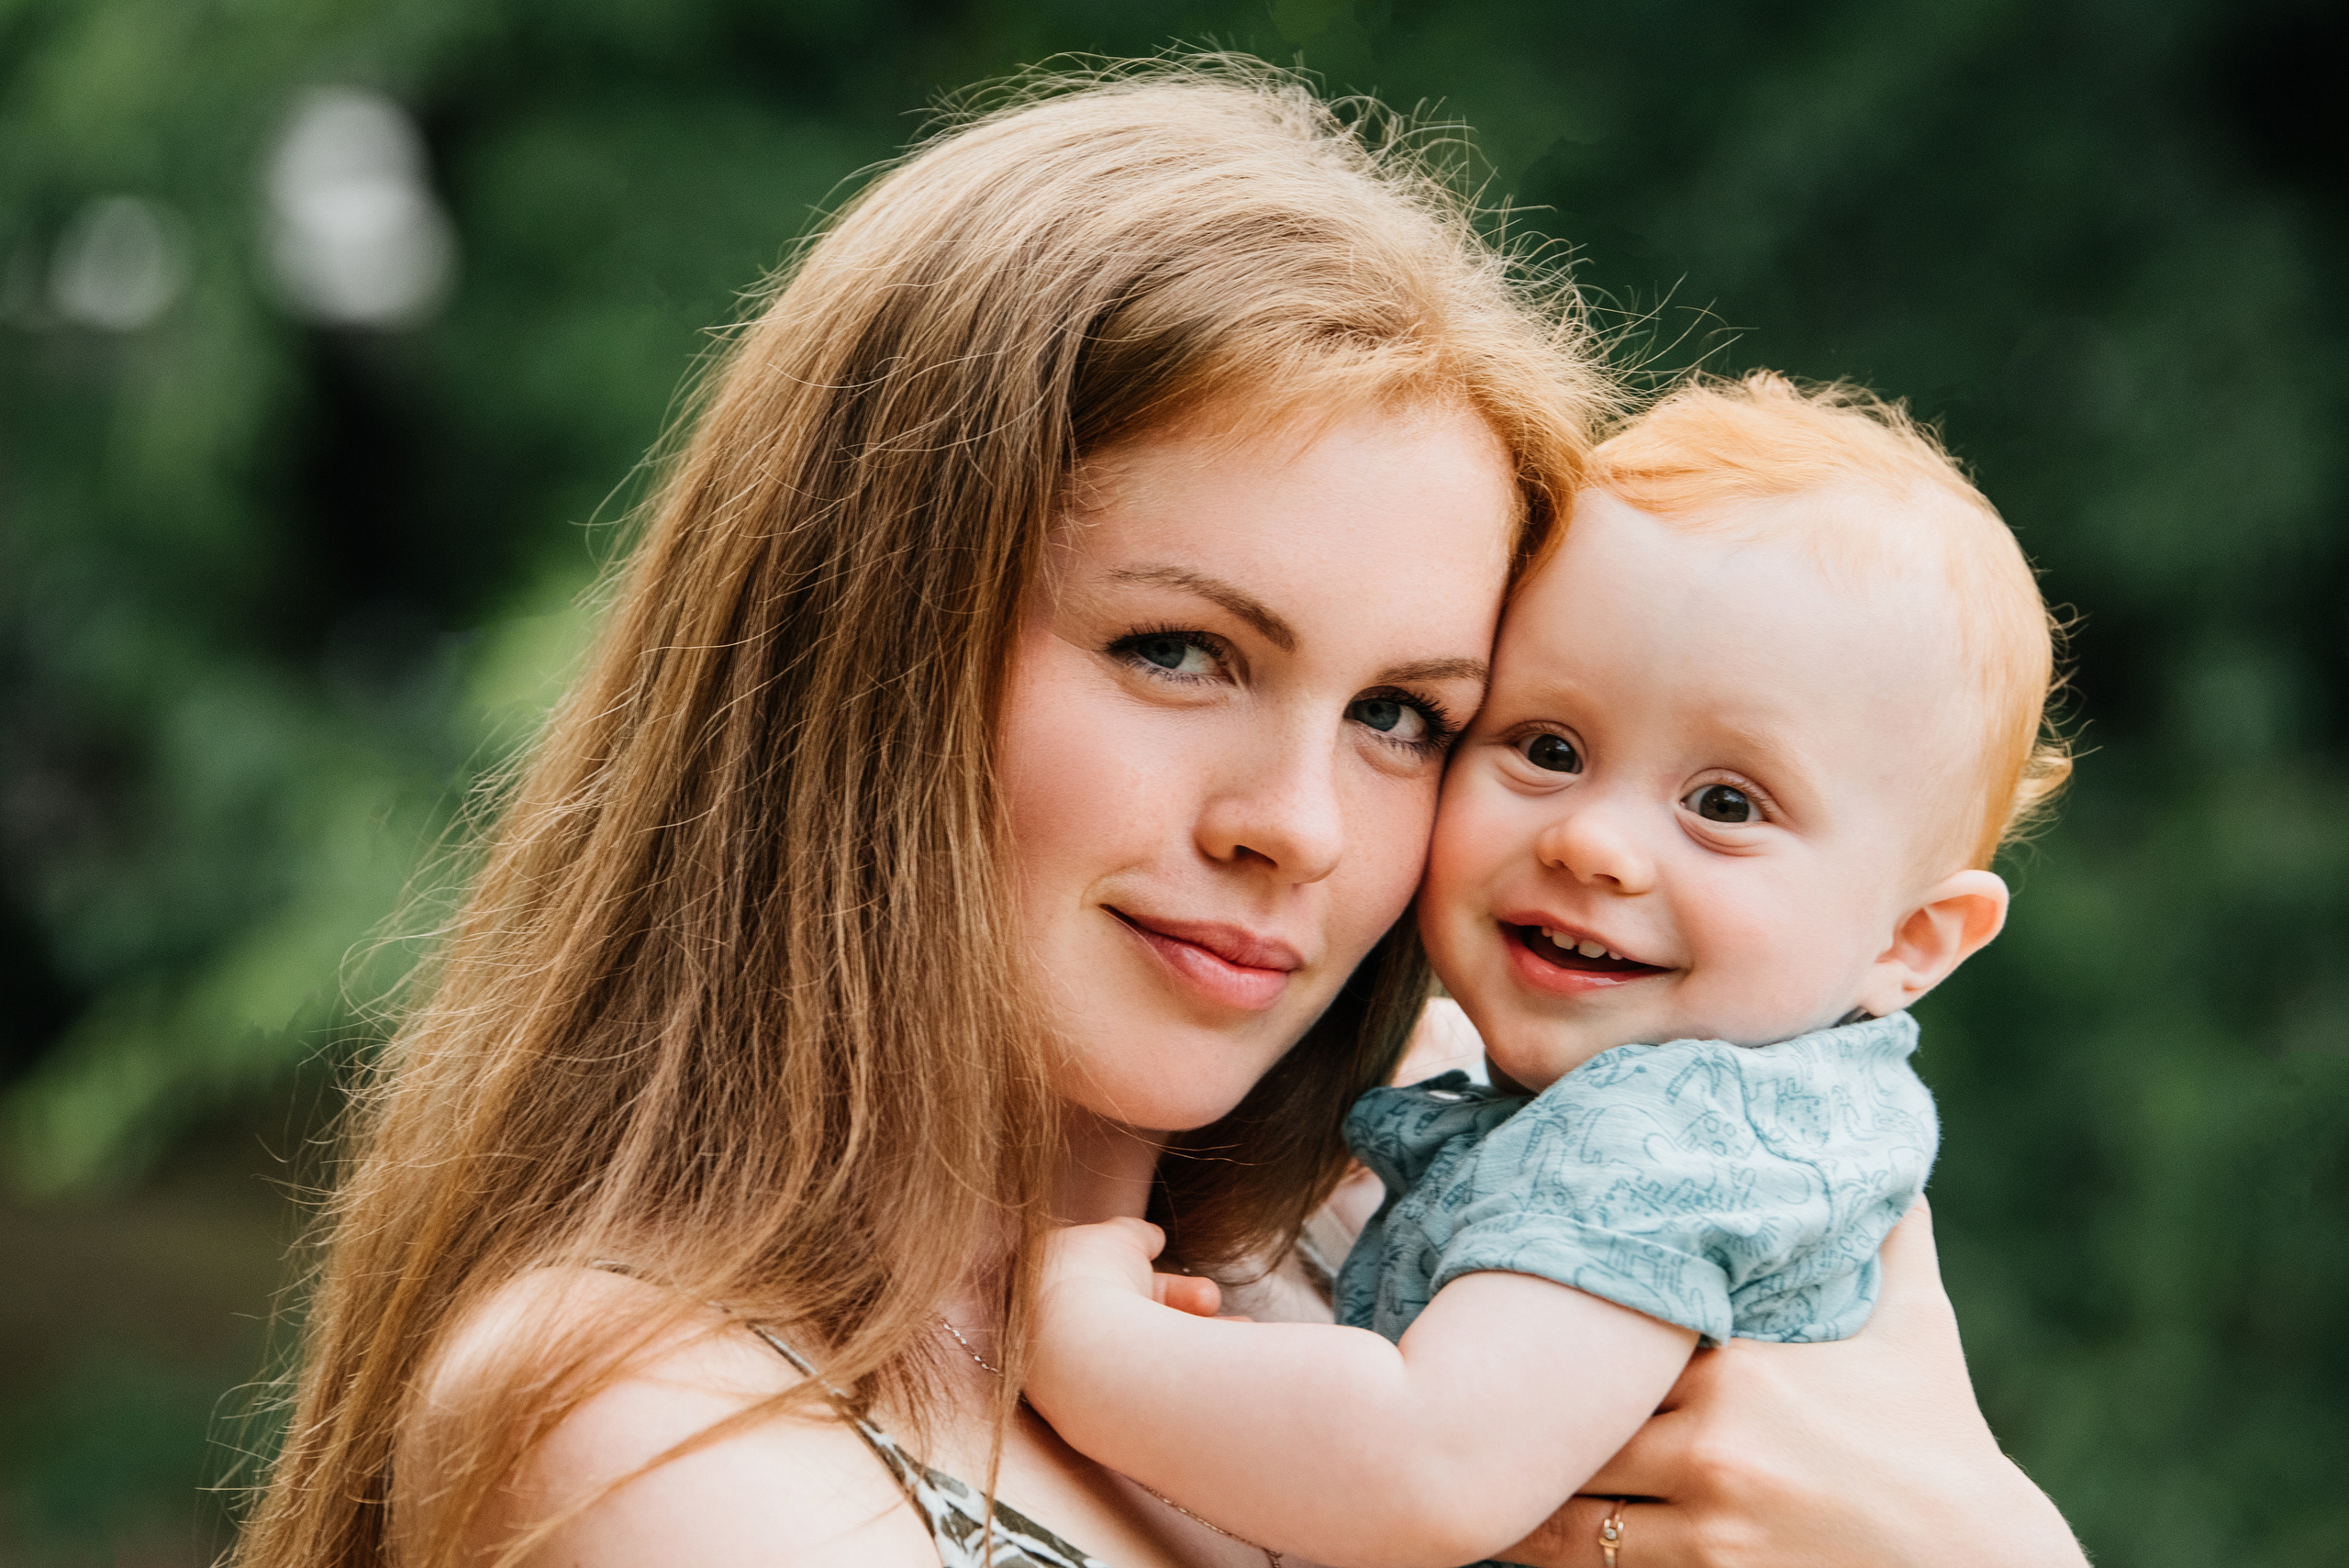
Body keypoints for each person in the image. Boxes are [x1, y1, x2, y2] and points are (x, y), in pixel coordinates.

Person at [232, 63, 2087, 1568]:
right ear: (865, 641)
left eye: (1395, 715)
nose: (1292, 823)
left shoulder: (1403, 1230)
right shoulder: (642, 1417)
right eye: (1181, 653)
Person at [1023, 373, 2076, 1567]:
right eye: (1548, 746)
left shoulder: (1669, 1141)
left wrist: (1071, 1328)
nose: (1594, 841)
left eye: (1726, 803)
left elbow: (1424, 1468)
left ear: (1907, 944)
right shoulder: (1625, 1101)